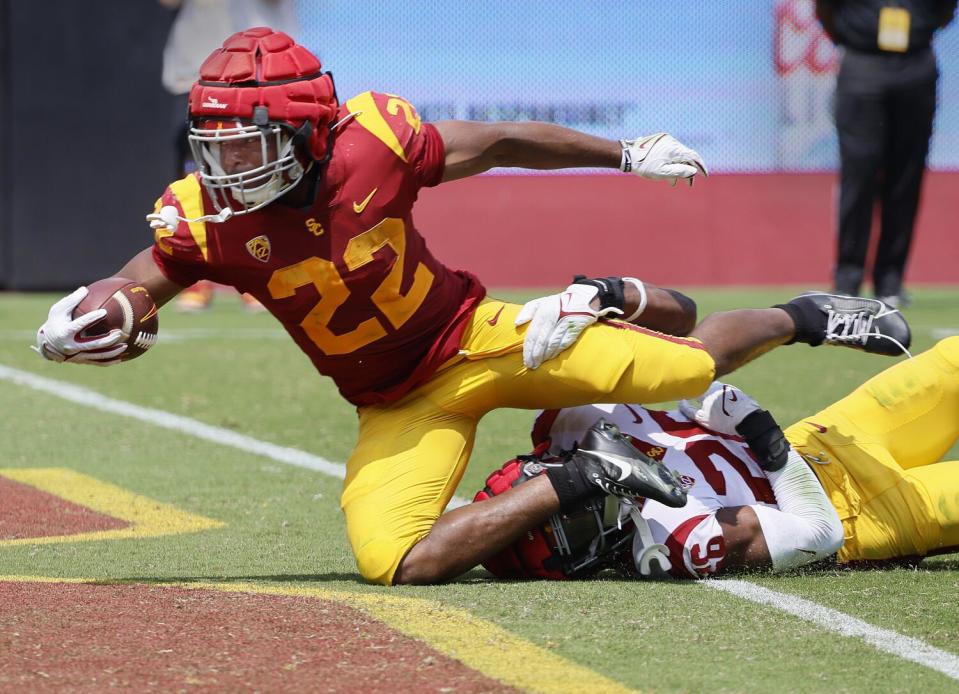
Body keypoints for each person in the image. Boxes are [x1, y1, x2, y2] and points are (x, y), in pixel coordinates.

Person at [33, 28, 910, 586]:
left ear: (309, 133)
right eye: (217, 147)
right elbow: (148, 273)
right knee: (395, 561)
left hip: (486, 338)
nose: (229, 169)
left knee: (686, 366)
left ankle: (804, 314)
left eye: (252, 145)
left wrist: (623, 152)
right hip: (395, 403)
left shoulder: (370, 144)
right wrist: (97, 310)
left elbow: (497, 140)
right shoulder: (211, 215)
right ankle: (585, 477)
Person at [481, 337, 958, 580]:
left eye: (562, 505)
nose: (585, 509)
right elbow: (821, 531)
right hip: (868, 515)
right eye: (578, 532)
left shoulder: (570, 420)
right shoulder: (671, 544)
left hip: (826, 438)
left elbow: (659, 353)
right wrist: (760, 434)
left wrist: (696, 392)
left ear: (541, 467)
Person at [815, 0, 957, 306]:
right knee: (859, 178)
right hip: (862, 64)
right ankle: (847, 280)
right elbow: (825, 10)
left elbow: (946, 10)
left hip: (915, 64)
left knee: (906, 179)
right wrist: (853, 37)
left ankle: (891, 281)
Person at [159, 0, 297, 312]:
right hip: (197, 65)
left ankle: (260, 275)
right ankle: (193, 276)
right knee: (195, 174)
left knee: (266, 172)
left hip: (266, 69)